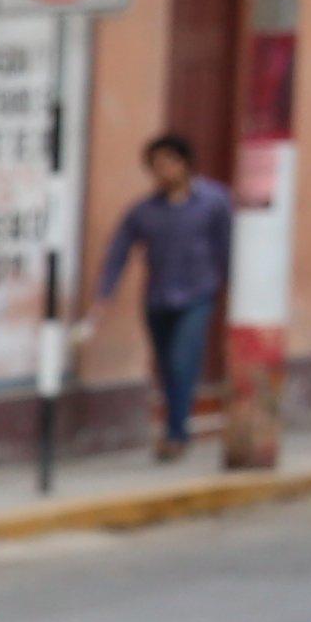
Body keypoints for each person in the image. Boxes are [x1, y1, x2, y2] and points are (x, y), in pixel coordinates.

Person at [98, 133, 235, 461]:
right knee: (165, 365)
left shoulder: (215, 202)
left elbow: (228, 246)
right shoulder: (144, 211)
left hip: (198, 295)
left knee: (181, 360)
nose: (163, 171)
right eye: (156, 165)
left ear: (185, 163)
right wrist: (104, 293)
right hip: (158, 298)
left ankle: (176, 434)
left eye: (169, 163)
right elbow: (119, 250)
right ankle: (174, 428)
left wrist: (235, 290)